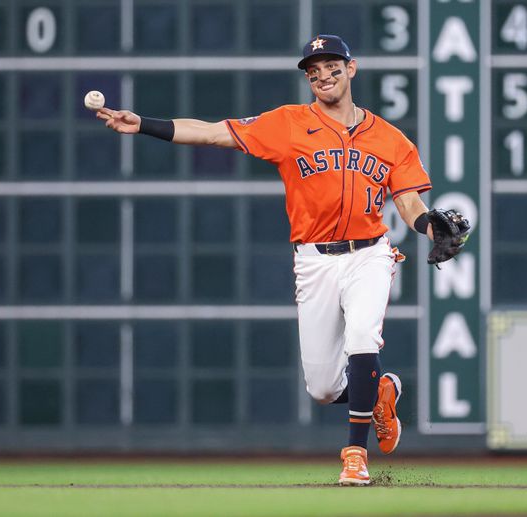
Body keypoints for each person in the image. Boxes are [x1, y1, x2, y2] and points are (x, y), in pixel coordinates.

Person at [96, 34, 466, 486]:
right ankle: (380, 391)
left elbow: (409, 204)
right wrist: (144, 125)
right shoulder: (288, 124)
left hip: (369, 254)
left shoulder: (391, 139)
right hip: (313, 260)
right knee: (324, 387)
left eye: (332, 67)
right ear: (308, 80)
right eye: (313, 71)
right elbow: (213, 132)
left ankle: (354, 454)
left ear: (351, 70)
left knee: (362, 339)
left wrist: (430, 226)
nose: (323, 76)